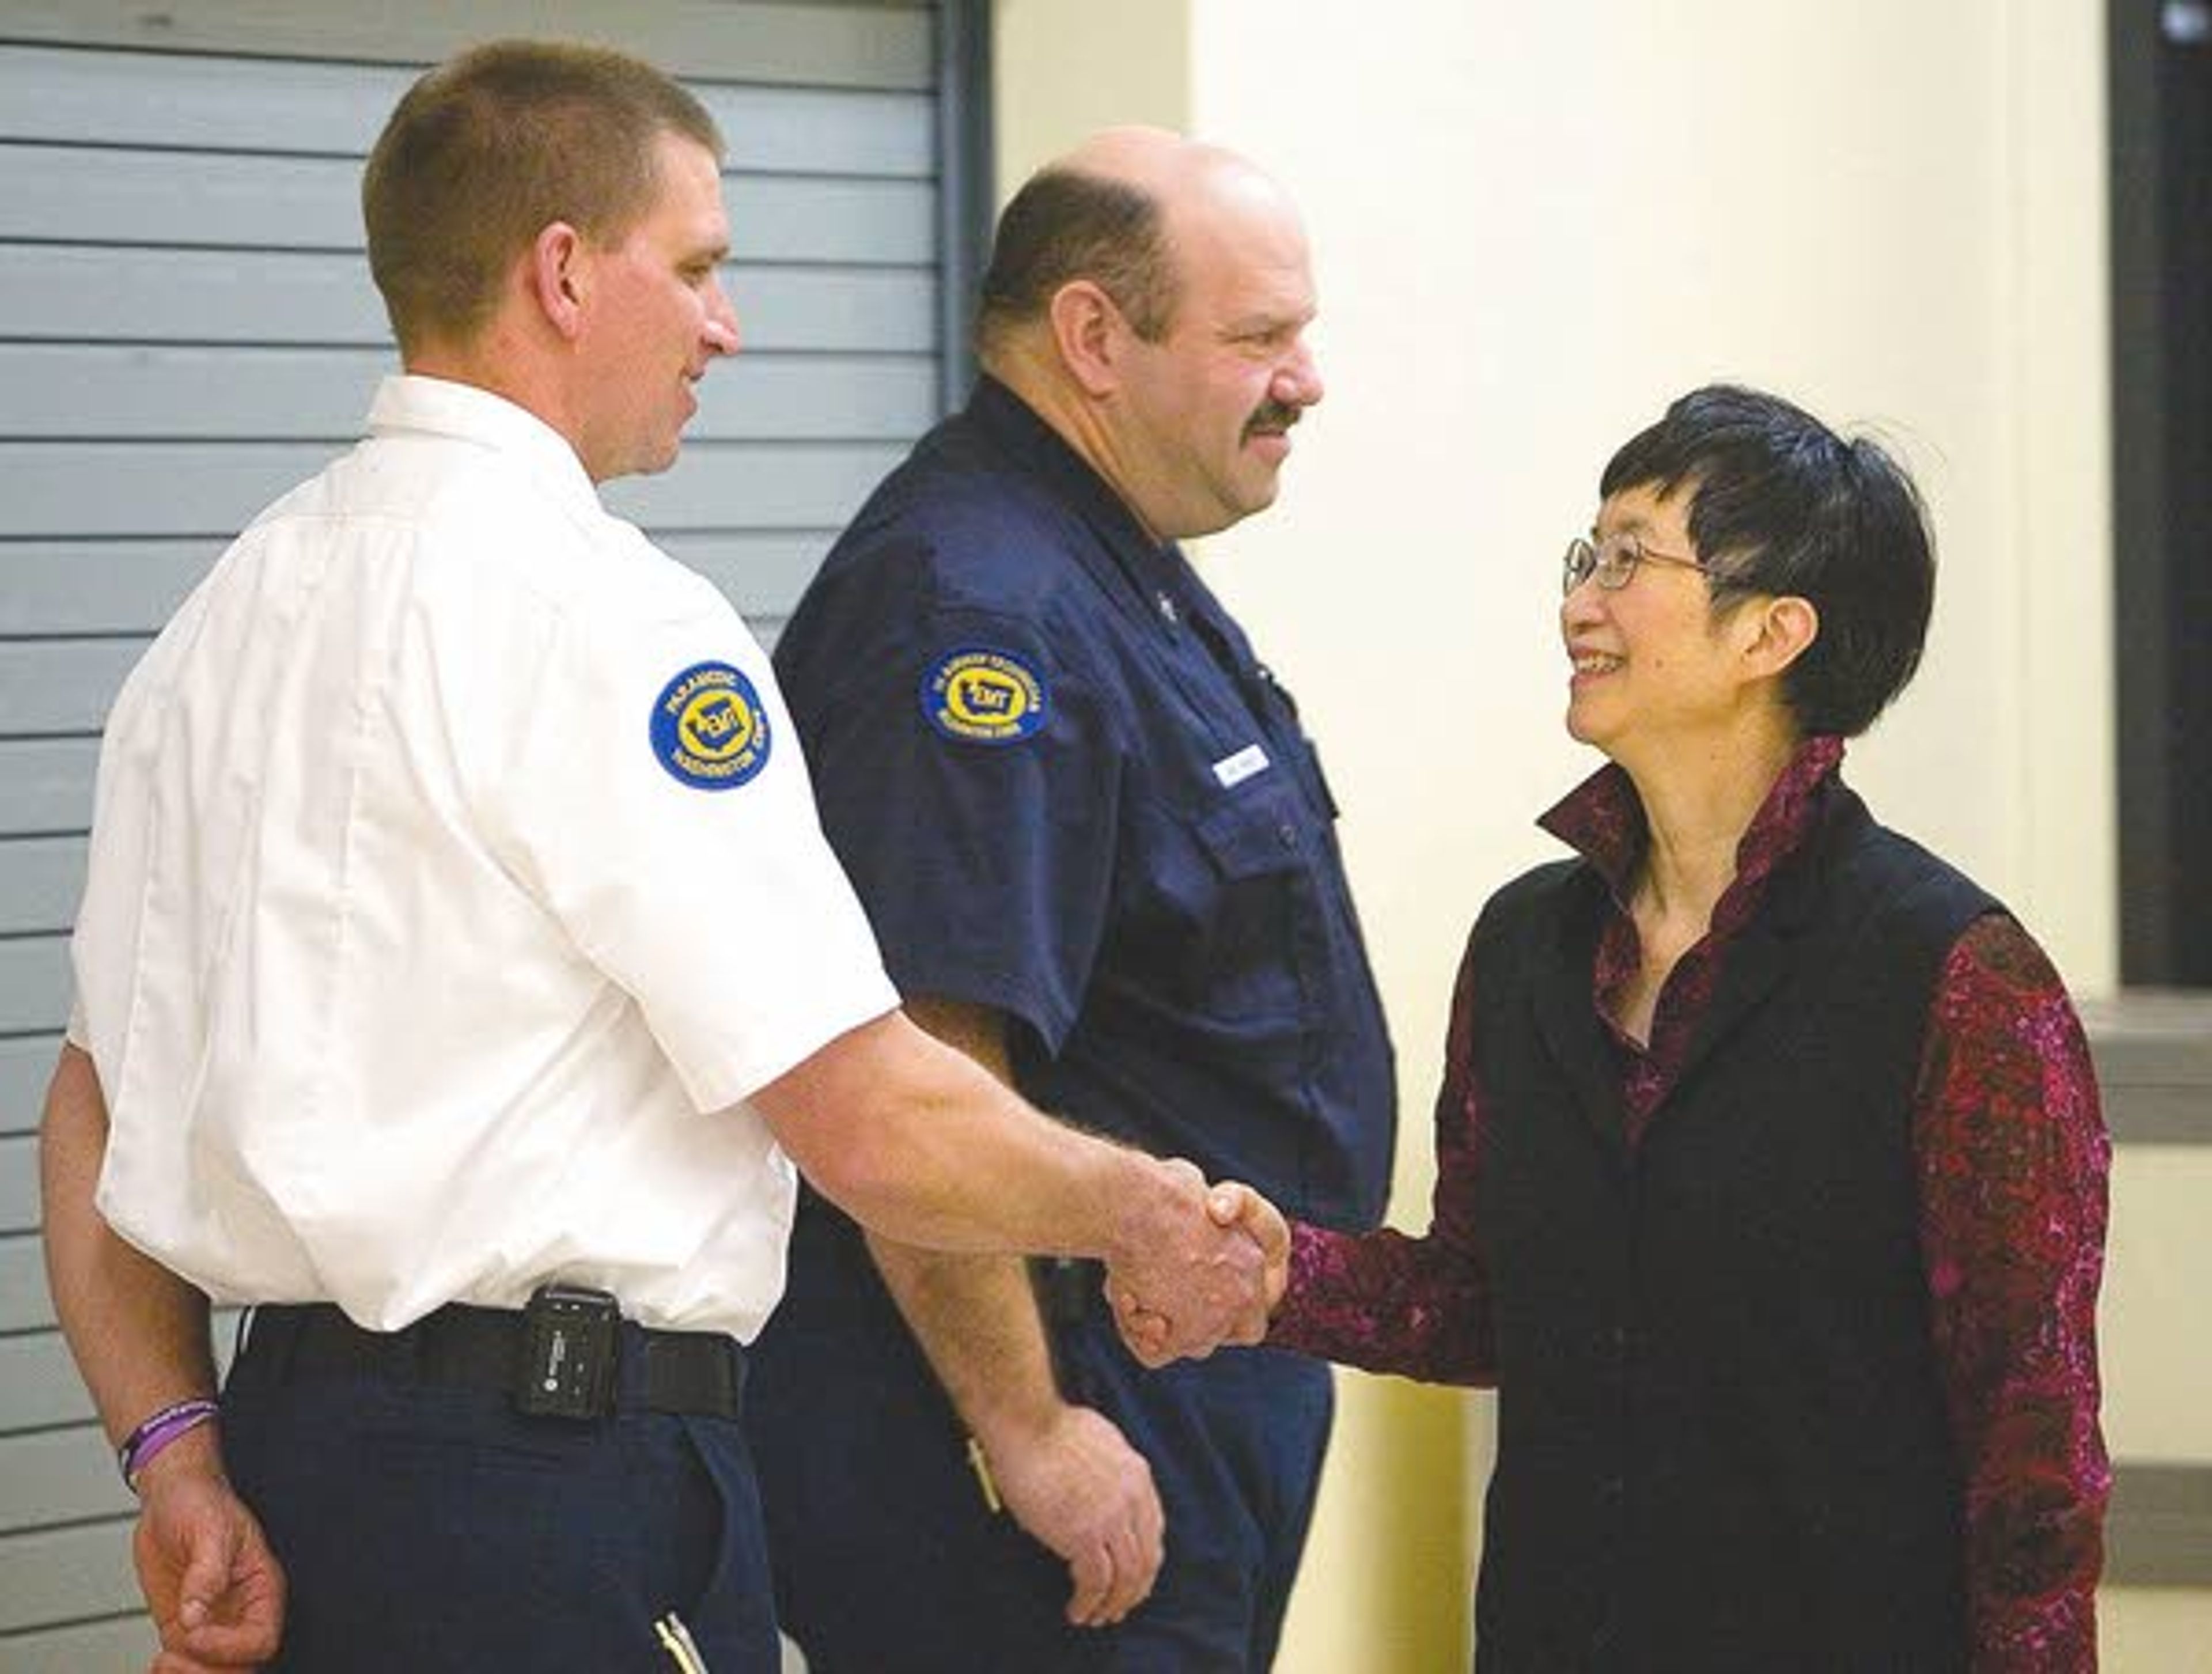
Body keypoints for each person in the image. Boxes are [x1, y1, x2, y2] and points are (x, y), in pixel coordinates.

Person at [38, 43, 1287, 1674]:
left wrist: (177, 1459)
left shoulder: (214, 630)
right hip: (559, 1498)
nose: (725, 323)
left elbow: (92, 1110)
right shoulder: (613, 624)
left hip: (291, 1475)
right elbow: (861, 1110)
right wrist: (1139, 1211)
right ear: (563, 271)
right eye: (696, 266)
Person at [1251, 384, 2111, 1671]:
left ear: (1773, 632)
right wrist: (1275, 1276)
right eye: (1584, 555)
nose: (1579, 602)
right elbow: (1493, 1305)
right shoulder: (1524, 947)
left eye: (1631, 558)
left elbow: (2031, 1450)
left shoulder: (1963, 984)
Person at [744, 127, 1396, 1671]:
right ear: (1095, 337)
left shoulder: (1117, 562)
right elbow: (917, 1069)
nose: (1305, 380)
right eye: (1260, 338)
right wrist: (1028, 1427)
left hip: (1193, 1385)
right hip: (1053, 1425)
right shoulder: (980, 605)